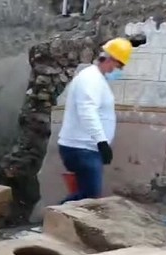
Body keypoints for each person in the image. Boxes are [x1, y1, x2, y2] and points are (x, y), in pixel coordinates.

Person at [58, 37, 134, 203]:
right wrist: (101, 142)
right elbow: (87, 112)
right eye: (119, 65)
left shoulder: (97, 79)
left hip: (85, 148)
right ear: (110, 60)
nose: (119, 70)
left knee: (85, 196)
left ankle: (60, 221)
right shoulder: (90, 79)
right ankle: (52, 218)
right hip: (81, 148)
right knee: (89, 197)